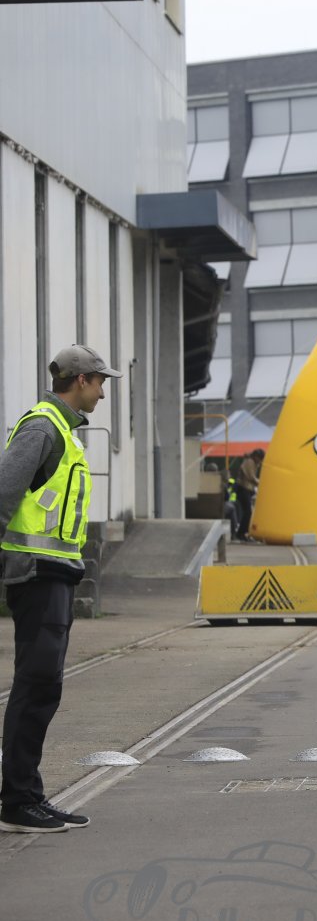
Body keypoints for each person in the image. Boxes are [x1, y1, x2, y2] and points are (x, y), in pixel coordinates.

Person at [0, 344, 121, 833]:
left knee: (43, 686)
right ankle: (17, 801)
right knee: (36, 685)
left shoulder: (63, 432)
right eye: (101, 382)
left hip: (55, 573)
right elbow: (4, 492)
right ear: (82, 380)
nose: (103, 393)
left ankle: (27, 794)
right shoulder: (43, 428)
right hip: (36, 573)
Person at [233, 447, 263, 542]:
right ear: (256, 456)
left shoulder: (253, 462)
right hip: (243, 488)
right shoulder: (250, 462)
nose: (260, 461)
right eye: (260, 458)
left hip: (246, 489)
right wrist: (261, 483)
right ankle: (241, 533)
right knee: (248, 512)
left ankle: (242, 533)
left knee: (247, 512)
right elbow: (251, 477)